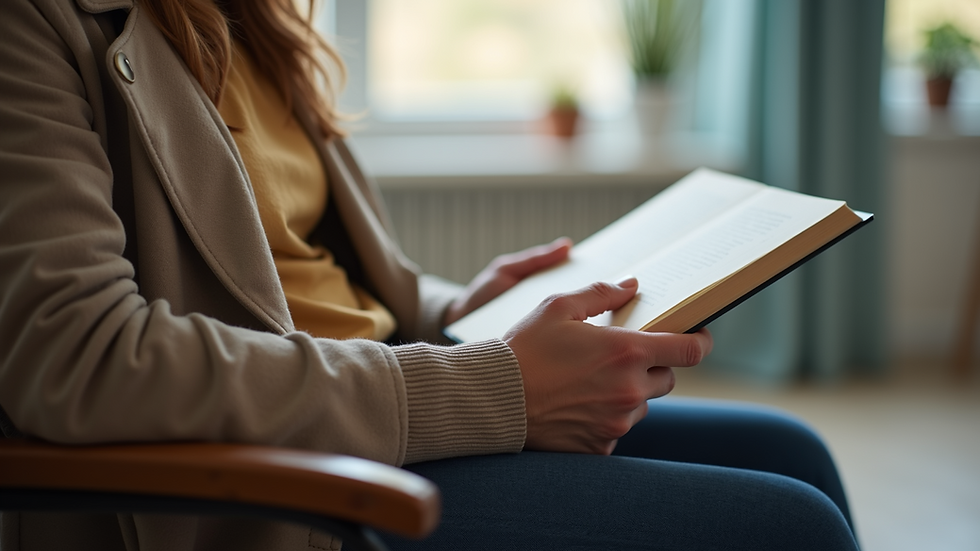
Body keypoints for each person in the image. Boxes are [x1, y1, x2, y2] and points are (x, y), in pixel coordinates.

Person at [0, 0, 859, 549]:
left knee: (791, 450)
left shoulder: (253, 21)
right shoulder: (37, 25)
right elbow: (75, 354)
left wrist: (464, 306)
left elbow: (312, 278)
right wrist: (494, 388)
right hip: (284, 467)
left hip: (384, 387)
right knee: (795, 527)